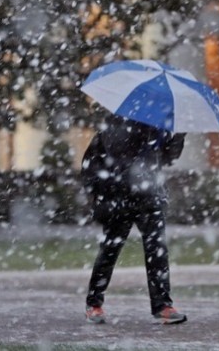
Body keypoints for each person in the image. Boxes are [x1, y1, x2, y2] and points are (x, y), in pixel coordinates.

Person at [81, 114, 187, 325]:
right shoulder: (117, 123)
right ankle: (94, 303)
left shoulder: (159, 126)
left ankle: (162, 306)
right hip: (119, 196)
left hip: (149, 196)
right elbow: (117, 155)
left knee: (157, 250)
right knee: (110, 249)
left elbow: (167, 158)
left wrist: (178, 135)